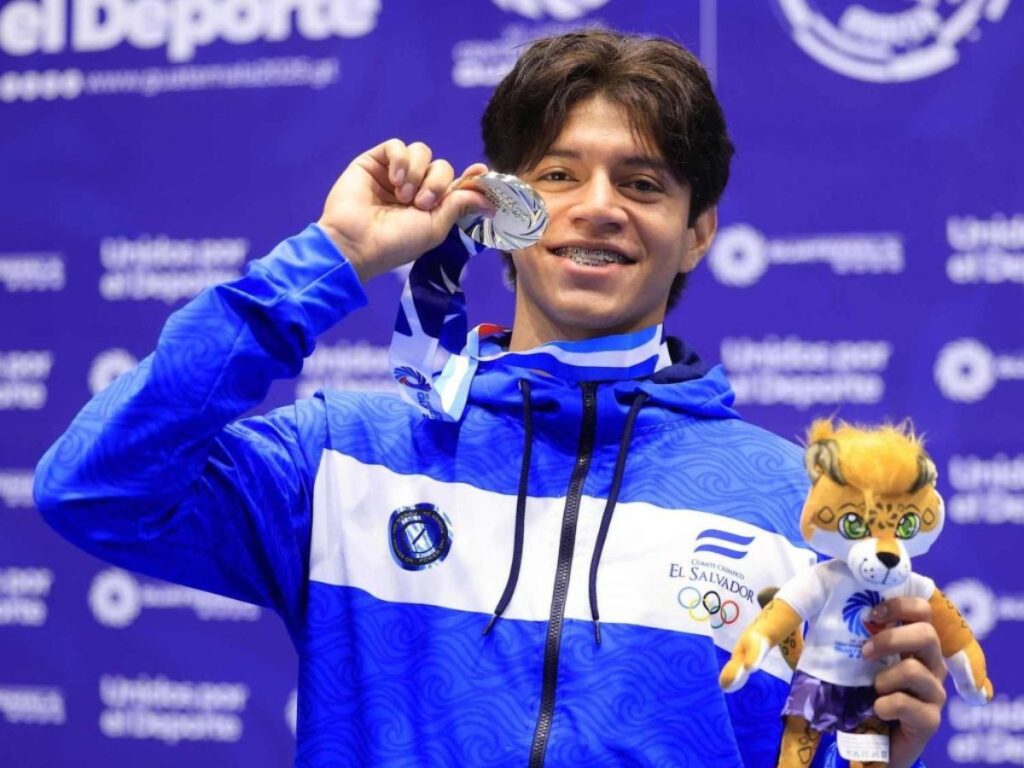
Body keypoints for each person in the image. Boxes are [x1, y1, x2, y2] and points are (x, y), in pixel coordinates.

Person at [35, 30, 946, 768]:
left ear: (696, 232)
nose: (598, 207)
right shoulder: (347, 455)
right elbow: (97, 488)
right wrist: (333, 256)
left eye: (642, 183)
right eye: (557, 176)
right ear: (502, 210)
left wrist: (872, 757)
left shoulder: (795, 504)